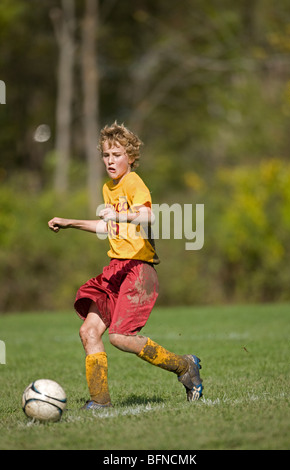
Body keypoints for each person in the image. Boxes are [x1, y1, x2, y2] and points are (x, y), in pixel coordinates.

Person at [48, 122, 203, 409]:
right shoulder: (109, 187)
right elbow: (107, 226)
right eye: (106, 155)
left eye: (117, 154)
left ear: (130, 156)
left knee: (120, 337)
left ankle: (184, 366)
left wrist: (118, 217)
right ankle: (100, 400)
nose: (110, 160)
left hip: (139, 271)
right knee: (89, 332)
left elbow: (148, 217)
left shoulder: (133, 182)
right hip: (115, 270)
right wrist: (70, 222)